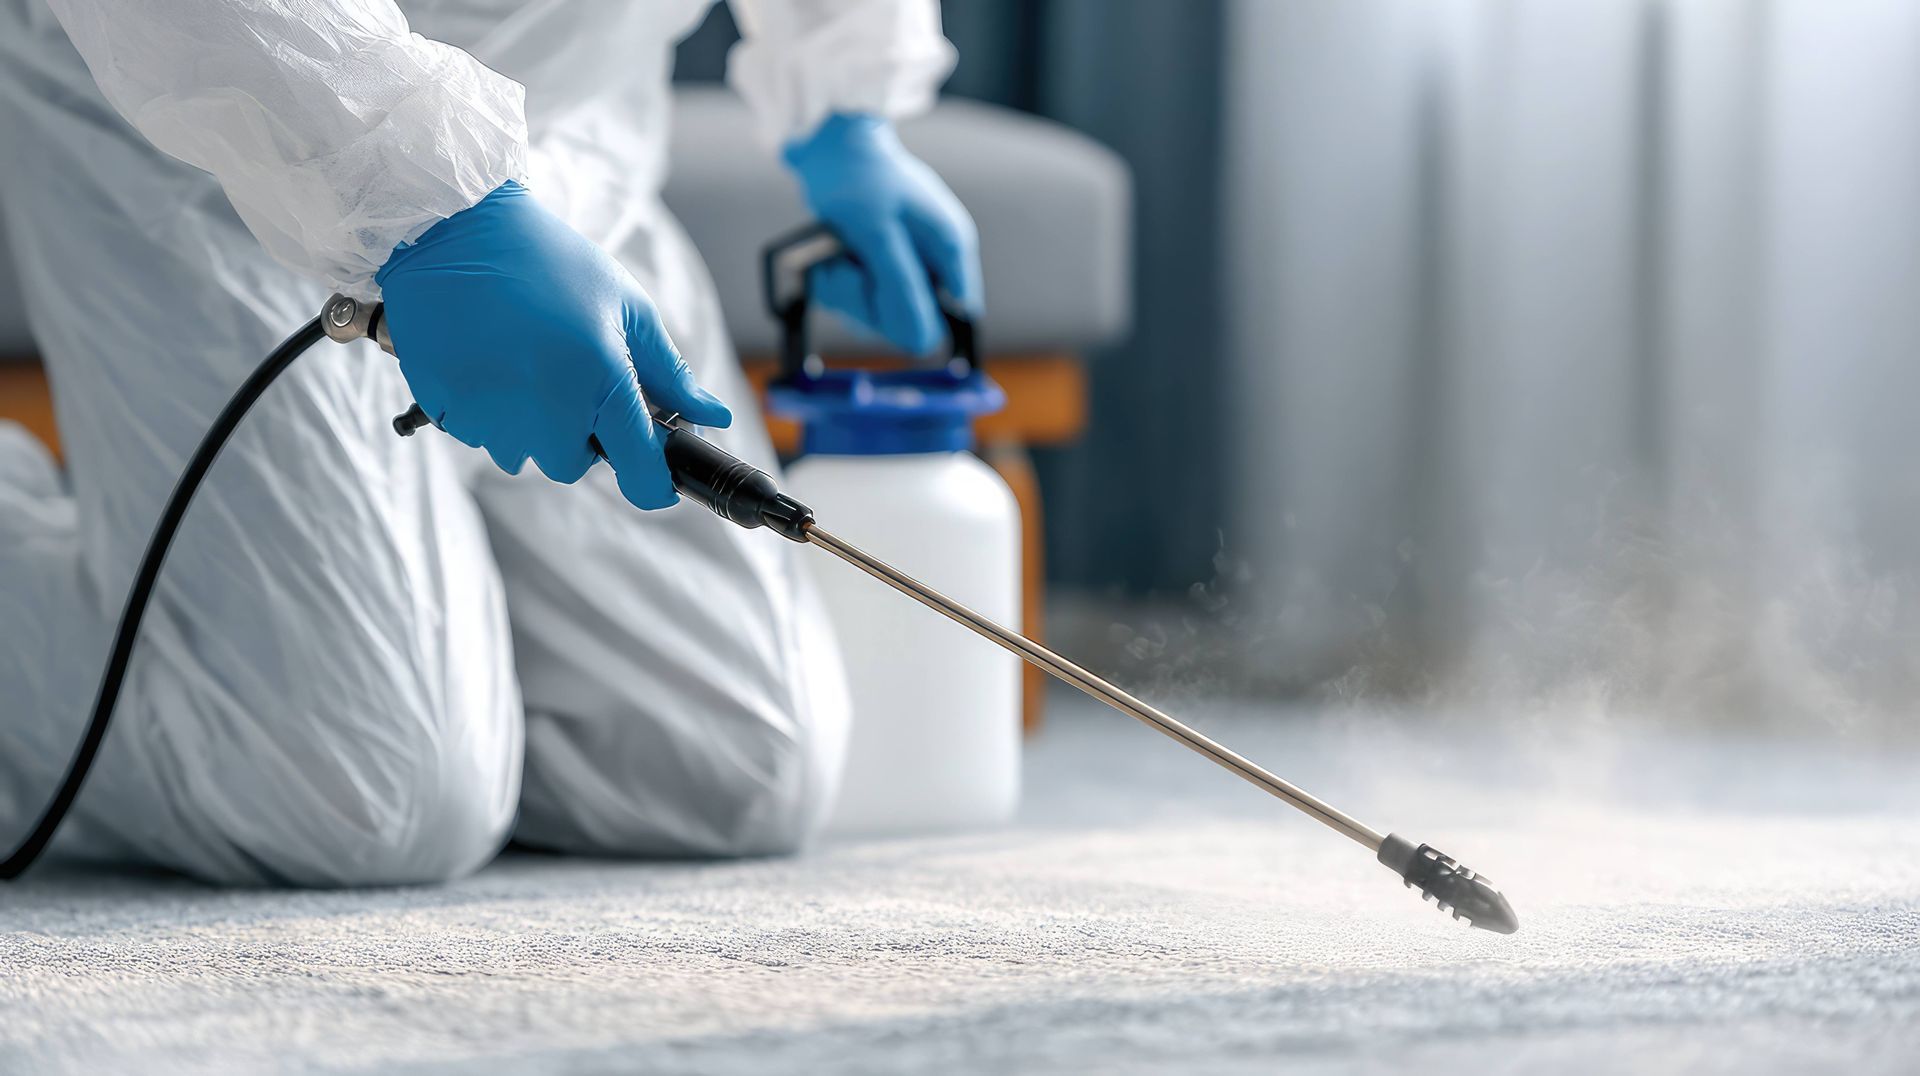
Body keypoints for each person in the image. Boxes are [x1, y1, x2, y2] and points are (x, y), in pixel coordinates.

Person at [0, 0, 981, 887]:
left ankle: (390, 640)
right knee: (362, 795)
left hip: (565, 149)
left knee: (730, 768)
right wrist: (433, 209)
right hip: (231, 125)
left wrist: (846, 98)